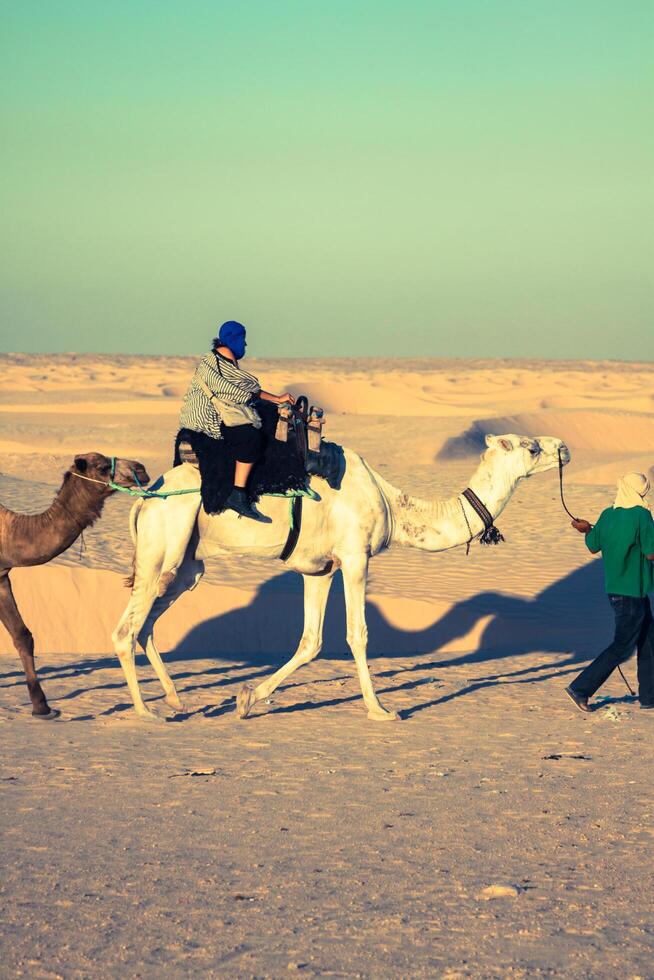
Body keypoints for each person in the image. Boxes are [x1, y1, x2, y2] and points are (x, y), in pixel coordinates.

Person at [179, 321, 293, 521]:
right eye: (243, 339)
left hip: (220, 414)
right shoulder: (213, 363)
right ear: (235, 339)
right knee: (250, 438)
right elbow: (237, 391)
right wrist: (270, 400)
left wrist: (275, 399)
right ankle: (238, 494)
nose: (246, 345)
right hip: (208, 420)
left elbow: (248, 390)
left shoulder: (222, 363)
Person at [565, 472, 654, 712]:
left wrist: (586, 529)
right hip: (632, 592)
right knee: (622, 646)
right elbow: (650, 552)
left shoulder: (607, 514)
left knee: (648, 642)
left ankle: (649, 697)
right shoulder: (642, 515)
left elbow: (593, 545)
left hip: (617, 590)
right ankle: (581, 688)